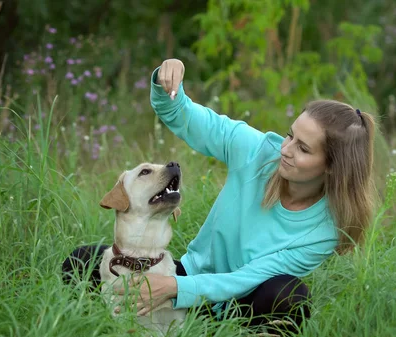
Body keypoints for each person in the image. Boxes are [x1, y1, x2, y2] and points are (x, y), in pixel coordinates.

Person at [62, 58, 377, 334]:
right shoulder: (257, 150)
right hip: (190, 278)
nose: (285, 149)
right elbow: (186, 118)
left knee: (287, 294)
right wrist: (167, 82)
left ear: (333, 168)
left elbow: (247, 278)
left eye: (303, 149)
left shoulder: (322, 230)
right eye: (290, 135)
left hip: (241, 307)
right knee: (82, 261)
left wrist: (173, 288)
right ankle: (92, 324)